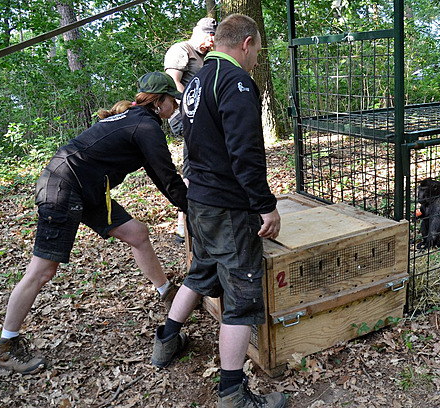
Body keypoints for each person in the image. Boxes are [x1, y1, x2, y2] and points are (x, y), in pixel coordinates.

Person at [0, 72, 188, 375]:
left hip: (86, 189)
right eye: (172, 101)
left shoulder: (134, 120)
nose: (175, 106)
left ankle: (167, 293)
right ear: (159, 102)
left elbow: (158, 174)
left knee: (137, 233)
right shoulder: (145, 126)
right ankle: (5, 347)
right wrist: (194, 207)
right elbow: (166, 177)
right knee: (42, 270)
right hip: (63, 188)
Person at [151, 14, 286, 408]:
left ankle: (166, 342)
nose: (257, 59)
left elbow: (194, 143)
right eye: (258, 50)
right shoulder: (237, 82)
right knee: (242, 296)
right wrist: (265, 206)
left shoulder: (196, 82)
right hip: (228, 207)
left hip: (200, 202)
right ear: (246, 44)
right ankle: (232, 393)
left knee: (200, 272)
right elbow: (246, 152)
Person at [164, 17, 217, 243]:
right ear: (200, 34)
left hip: (203, 120)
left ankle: (200, 220)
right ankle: (183, 226)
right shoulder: (180, 50)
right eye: (209, 39)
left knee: (202, 164)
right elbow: (171, 84)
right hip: (185, 116)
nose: (211, 44)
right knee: (192, 167)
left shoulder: (207, 56)